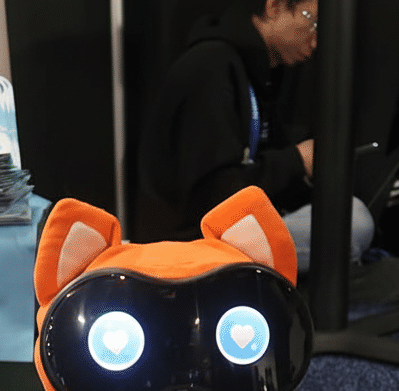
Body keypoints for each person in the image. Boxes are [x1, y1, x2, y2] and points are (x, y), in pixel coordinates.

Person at [133, 0, 318, 244]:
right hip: (192, 244)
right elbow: (215, 194)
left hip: (224, 232)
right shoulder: (211, 67)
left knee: (343, 213)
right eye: (311, 20)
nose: (315, 41)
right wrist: (297, 160)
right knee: (352, 223)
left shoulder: (254, 72)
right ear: (273, 7)